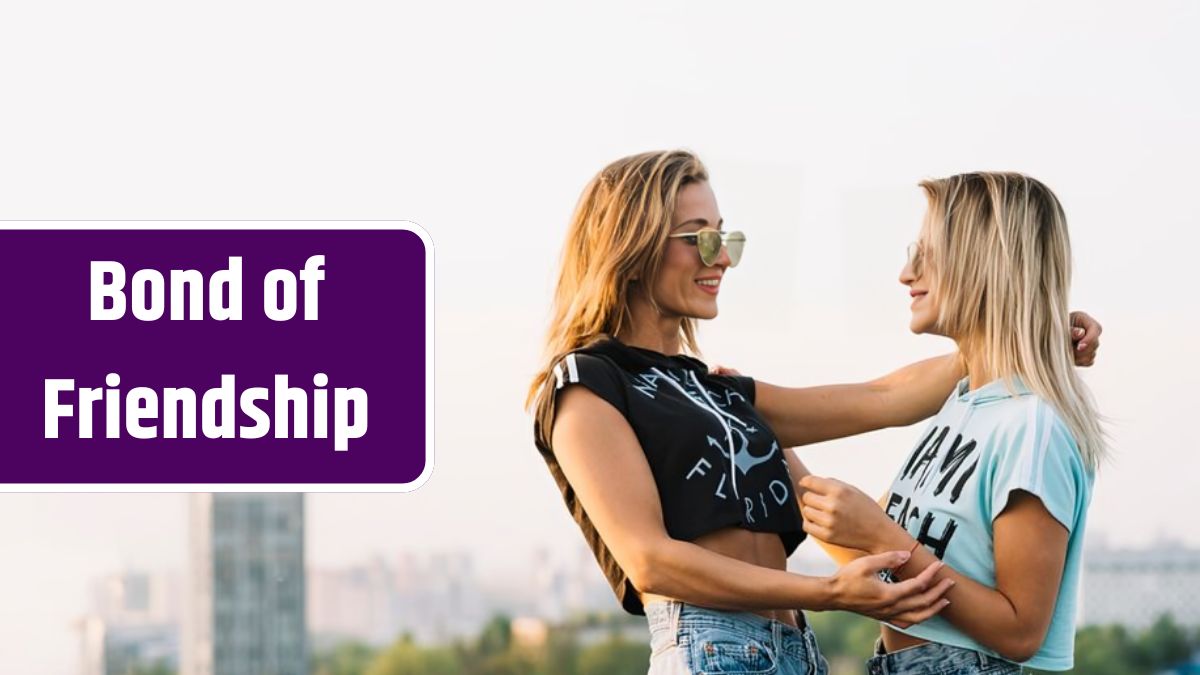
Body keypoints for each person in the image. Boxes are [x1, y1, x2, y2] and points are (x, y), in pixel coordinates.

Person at [526, 152, 1101, 674]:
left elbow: (884, 397)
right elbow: (649, 561)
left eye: (725, 238)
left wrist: (1031, 328)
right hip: (709, 650)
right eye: (698, 239)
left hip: (800, 656)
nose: (722, 257)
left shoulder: (718, 392)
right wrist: (827, 592)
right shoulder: (586, 384)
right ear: (632, 246)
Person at [797, 172, 1103, 674]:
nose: (905, 273)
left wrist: (883, 535)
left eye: (926, 254)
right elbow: (884, 564)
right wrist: (754, 438)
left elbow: (1021, 629)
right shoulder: (965, 406)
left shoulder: (1033, 427)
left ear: (985, 264)